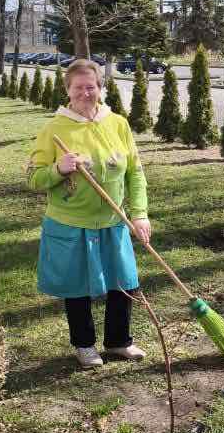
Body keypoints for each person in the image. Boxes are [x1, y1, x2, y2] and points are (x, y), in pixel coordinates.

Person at [28, 58, 152, 369]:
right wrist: (58, 169)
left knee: (123, 282)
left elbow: (135, 173)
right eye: (78, 87)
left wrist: (139, 214)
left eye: (91, 86)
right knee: (77, 287)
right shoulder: (54, 129)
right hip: (70, 223)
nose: (85, 93)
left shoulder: (118, 123)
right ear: (67, 90)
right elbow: (34, 178)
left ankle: (119, 341)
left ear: (100, 88)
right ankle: (84, 345)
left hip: (113, 220)